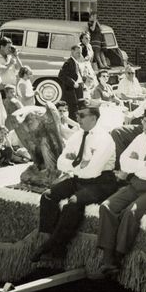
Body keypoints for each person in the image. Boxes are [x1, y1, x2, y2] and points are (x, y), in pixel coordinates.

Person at [95, 107, 146, 277]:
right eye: (144, 122)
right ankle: (107, 257)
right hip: (138, 184)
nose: (145, 126)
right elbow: (123, 161)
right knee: (106, 207)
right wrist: (144, 165)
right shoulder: (142, 137)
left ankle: (118, 257)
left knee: (130, 213)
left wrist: (135, 164)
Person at [30, 102, 117, 263]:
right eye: (77, 115)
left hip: (101, 182)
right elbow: (60, 162)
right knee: (48, 196)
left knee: (74, 202)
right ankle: (54, 244)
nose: (77, 118)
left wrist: (75, 165)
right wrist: (81, 164)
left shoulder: (105, 138)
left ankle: (50, 246)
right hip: (79, 179)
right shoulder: (77, 136)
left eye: (82, 115)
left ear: (94, 117)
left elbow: (93, 171)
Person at [58, 45, 85, 120]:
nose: (79, 54)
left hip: (78, 88)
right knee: (73, 108)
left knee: (79, 106)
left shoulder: (76, 62)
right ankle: (72, 126)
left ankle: (77, 124)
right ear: (72, 52)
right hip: (71, 89)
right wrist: (73, 83)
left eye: (80, 53)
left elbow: (77, 75)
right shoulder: (68, 62)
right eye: (77, 53)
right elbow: (61, 75)